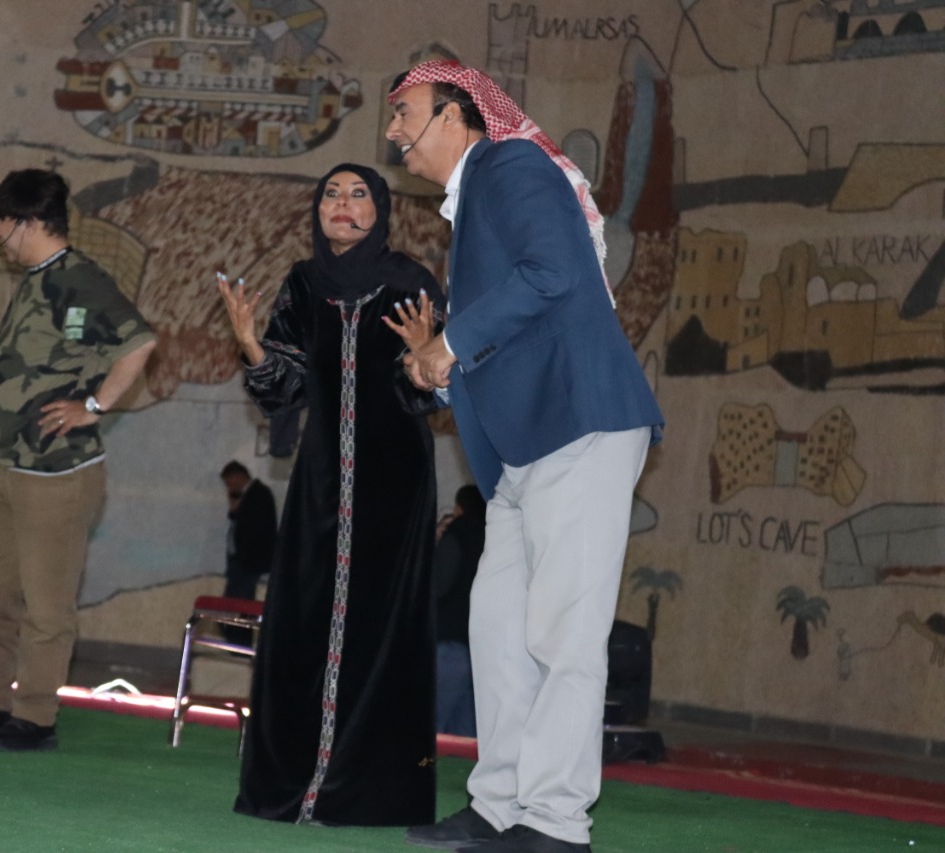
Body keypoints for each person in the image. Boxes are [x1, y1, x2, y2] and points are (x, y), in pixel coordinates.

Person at [384, 61, 664, 853]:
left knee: (564, 634)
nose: (393, 131)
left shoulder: (509, 165)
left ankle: (555, 821)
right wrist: (443, 366)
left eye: (403, 112)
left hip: (580, 425)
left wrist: (451, 342)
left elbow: (556, 273)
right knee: (500, 632)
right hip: (522, 454)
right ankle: (500, 804)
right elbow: (511, 331)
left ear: (455, 115)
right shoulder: (479, 198)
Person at [217, 163, 444, 827]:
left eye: (359, 194)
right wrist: (251, 346)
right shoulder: (304, 283)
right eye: (331, 195)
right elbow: (284, 387)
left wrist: (424, 359)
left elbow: (430, 393)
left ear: (380, 209)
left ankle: (365, 790)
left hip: (393, 483)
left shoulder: (408, 282)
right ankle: (295, 782)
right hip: (320, 481)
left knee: (381, 630)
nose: (343, 204)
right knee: (303, 622)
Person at [0, 169, 157, 753]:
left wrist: (93, 407)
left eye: (0, 223)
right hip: (5, 467)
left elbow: (139, 343)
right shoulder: (35, 279)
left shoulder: (79, 278)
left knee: (46, 607)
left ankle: (35, 716)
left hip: (58, 473)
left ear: (26, 223)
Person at [434, 483, 485, 738]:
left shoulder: (458, 532)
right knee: (465, 737)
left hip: (449, 646)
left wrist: (436, 544)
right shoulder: (493, 536)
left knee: (433, 731)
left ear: (459, 508)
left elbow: (439, 584)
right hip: (480, 651)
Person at [218, 460, 277, 644]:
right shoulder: (249, 495)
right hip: (242, 561)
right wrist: (234, 507)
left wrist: (242, 558)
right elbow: (238, 521)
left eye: (229, 482)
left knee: (239, 605)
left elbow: (254, 530)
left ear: (238, 476)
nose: (229, 487)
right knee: (234, 603)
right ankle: (235, 640)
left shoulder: (259, 494)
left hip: (248, 563)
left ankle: (238, 643)